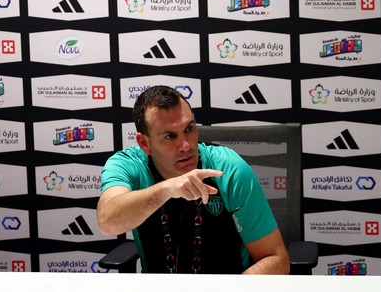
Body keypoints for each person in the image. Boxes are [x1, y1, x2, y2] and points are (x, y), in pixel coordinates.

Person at [97, 85, 290, 274]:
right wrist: (167, 189)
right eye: (170, 136)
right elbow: (108, 222)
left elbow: (276, 260)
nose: (186, 146)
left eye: (189, 129)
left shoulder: (228, 169)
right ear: (145, 143)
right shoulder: (128, 165)